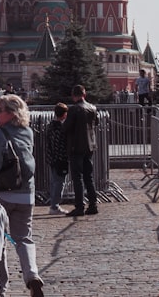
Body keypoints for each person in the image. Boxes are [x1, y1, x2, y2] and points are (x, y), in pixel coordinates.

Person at [0, 94, 45, 297]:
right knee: (24, 238)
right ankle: (32, 274)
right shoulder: (27, 132)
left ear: (11, 113)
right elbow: (14, 148)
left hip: (2, 195)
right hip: (26, 195)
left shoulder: (0, 136)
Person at [63, 85, 99, 218]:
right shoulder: (92, 108)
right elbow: (96, 123)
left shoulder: (74, 109)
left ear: (74, 96)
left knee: (77, 178)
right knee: (88, 176)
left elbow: (66, 128)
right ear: (85, 94)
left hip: (76, 146)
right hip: (90, 146)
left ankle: (79, 206)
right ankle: (93, 204)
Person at [45, 103, 69, 214]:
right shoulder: (62, 128)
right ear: (64, 114)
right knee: (59, 182)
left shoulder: (51, 126)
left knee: (54, 181)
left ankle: (53, 204)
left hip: (52, 158)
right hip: (60, 158)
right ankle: (54, 206)